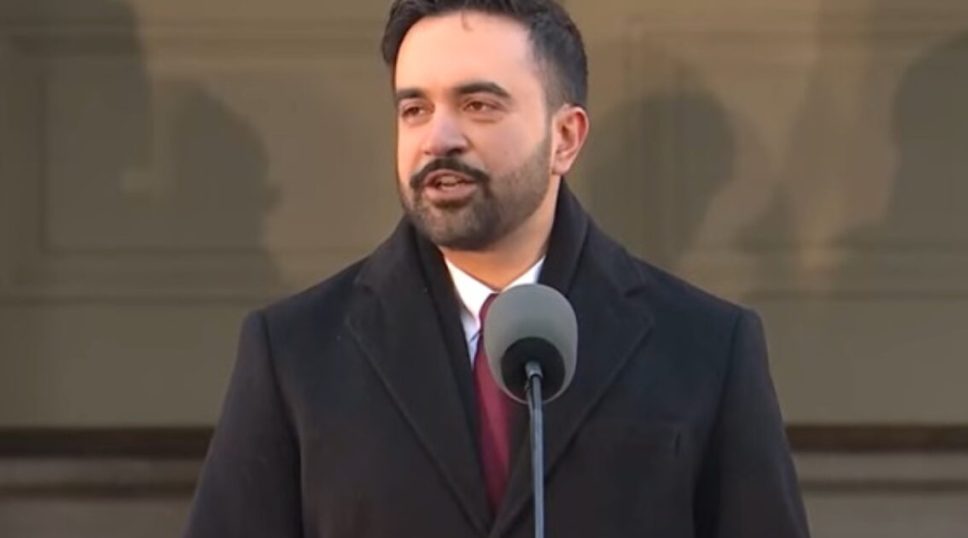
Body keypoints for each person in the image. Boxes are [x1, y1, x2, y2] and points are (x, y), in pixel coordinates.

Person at [183, 1, 810, 537]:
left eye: (478, 104)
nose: (438, 138)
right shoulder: (295, 352)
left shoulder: (706, 347)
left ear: (565, 138)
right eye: (414, 109)